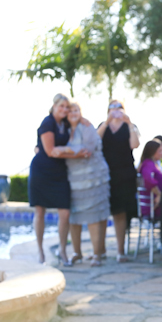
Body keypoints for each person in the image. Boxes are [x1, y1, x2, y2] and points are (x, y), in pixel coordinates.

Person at [29, 93, 90, 266]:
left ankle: (63, 250)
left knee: (65, 213)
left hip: (60, 172)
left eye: (66, 107)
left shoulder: (65, 124)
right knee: (40, 212)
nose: (64, 109)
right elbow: (50, 151)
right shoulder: (47, 122)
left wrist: (83, 120)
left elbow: (60, 150)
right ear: (54, 106)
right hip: (42, 171)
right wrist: (76, 154)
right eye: (61, 106)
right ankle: (41, 253)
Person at [54, 102, 110, 267]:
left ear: (81, 112)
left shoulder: (87, 127)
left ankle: (96, 254)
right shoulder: (63, 129)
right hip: (72, 179)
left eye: (76, 110)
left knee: (94, 216)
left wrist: (64, 149)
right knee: (74, 217)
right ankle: (76, 252)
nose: (73, 113)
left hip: (93, 179)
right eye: (70, 111)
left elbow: (88, 149)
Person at [97, 100, 140, 263]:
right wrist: (106, 122)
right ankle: (99, 250)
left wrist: (129, 124)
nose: (116, 111)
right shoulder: (103, 126)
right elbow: (95, 142)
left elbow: (134, 144)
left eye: (119, 108)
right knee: (101, 213)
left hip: (125, 176)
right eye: (112, 108)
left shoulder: (130, 126)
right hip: (104, 174)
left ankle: (120, 251)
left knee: (120, 213)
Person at [137, 140, 162, 219]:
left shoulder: (152, 163)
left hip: (157, 204)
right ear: (152, 151)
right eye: (159, 151)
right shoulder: (148, 164)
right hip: (155, 206)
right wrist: (159, 194)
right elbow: (148, 179)